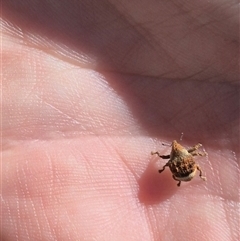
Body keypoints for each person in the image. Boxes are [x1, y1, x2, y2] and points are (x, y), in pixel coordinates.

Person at [2, 0, 239, 240]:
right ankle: (193, 177)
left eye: (176, 150)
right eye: (178, 149)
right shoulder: (183, 157)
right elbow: (171, 162)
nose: (177, 150)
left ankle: (190, 178)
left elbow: (169, 164)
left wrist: (163, 162)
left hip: (180, 177)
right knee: (186, 165)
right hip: (181, 177)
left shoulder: (179, 158)